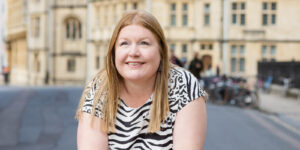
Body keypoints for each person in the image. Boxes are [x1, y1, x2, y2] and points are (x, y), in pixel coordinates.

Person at [76, 10, 207, 149]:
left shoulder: (183, 85)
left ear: (161, 51)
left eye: (144, 43)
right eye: (124, 43)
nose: (133, 52)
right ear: (114, 52)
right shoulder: (99, 88)